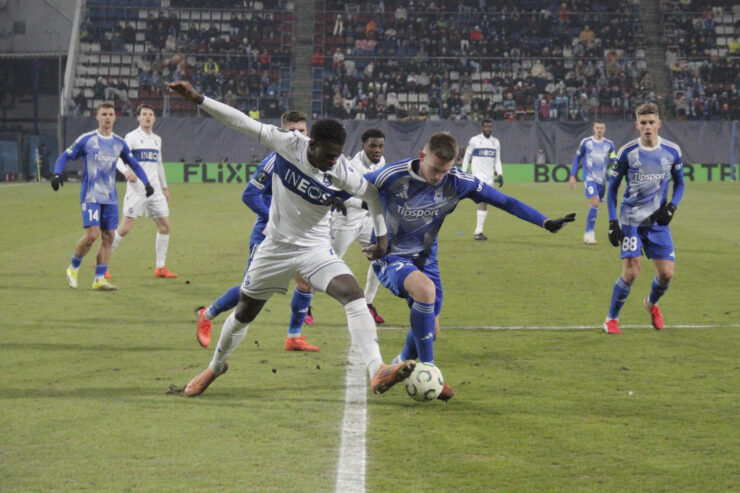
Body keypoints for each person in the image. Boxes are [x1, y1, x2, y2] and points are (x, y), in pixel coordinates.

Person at [167, 80, 415, 397]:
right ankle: (215, 367)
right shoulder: (288, 143)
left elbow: (373, 197)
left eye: (338, 155)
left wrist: (381, 238)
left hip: (315, 250)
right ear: (312, 145)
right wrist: (199, 99)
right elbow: (240, 121)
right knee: (243, 313)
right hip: (275, 247)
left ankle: (377, 369)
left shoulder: (341, 171)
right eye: (329, 155)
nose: (334, 161)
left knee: (353, 296)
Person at [365, 132, 576, 401]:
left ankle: (398, 366)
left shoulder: (459, 181)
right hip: (389, 255)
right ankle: (430, 370)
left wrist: (544, 222)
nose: (438, 177)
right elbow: (352, 189)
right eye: (434, 169)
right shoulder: (392, 175)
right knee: (426, 291)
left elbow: (505, 201)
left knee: (431, 330)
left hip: (426, 259)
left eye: (445, 171)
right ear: (422, 156)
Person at [195, 111, 320, 352]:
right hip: (267, 235)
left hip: (296, 235)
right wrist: (273, 219)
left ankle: (293, 337)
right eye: (291, 131)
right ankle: (207, 315)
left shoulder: (310, 162)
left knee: (305, 283)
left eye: (302, 131)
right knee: (249, 291)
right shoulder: (274, 161)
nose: (297, 135)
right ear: (282, 132)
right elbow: (250, 195)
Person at [51, 103, 153, 291]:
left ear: (115, 117)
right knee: (92, 235)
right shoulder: (87, 139)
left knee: (109, 237)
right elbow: (65, 156)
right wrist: (57, 174)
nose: (107, 117)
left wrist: (146, 183)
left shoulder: (119, 143)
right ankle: (73, 268)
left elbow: (134, 164)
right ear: (97, 117)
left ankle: (99, 279)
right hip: (91, 195)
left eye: (110, 114)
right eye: (104, 114)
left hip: (110, 197)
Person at [603, 103, 685, 335]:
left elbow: (680, 183)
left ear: (659, 124)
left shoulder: (672, 151)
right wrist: (612, 222)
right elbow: (612, 189)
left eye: (651, 122)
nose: (647, 127)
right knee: (631, 272)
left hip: (658, 222)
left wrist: (672, 207)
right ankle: (611, 319)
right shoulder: (627, 152)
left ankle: (651, 303)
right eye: (643, 123)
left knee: (667, 274)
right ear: (637, 125)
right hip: (631, 221)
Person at [105, 104, 177, 279]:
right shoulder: (132, 137)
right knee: (125, 228)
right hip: (137, 190)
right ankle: (102, 264)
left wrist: (164, 187)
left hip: (155, 190)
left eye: (150, 114)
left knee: (165, 227)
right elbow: (118, 158)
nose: (147, 117)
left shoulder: (157, 139)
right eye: (144, 114)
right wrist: (126, 172)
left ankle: (160, 268)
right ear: (138, 118)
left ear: (154, 118)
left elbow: (159, 164)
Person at [331, 128, 388, 324]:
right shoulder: (352, 166)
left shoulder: (381, 162)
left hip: (365, 221)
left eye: (380, 146)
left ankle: (368, 303)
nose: (377, 150)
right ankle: (304, 303)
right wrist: (365, 204)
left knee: (382, 256)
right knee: (325, 264)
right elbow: (340, 197)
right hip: (345, 221)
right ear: (363, 146)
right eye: (372, 146)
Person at [569, 121, 617, 245]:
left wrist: (618, 175)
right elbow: (577, 158)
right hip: (589, 178)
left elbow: (614, 160)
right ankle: (589, 233)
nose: (599, 130)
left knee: (595, 205)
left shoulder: (609, 144)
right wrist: (572, 175)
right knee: (595, 201)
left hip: (602, 180)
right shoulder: (586, 142)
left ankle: (588, 233)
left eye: (601, 128)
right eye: (597, 127)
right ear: (593, 129)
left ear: (605, 129)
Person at [461, 119, 503, 241]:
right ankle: (478, 231)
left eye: (490, 127)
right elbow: (467, 157)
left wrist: (500, 174)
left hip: (490, 177)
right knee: (483, 201)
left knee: (484, 202)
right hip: (477, 176)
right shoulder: (474, 140)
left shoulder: (495, 142)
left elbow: (497, 159)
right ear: (482, 128)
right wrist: (464, 173)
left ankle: (478, 232)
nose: (488, 129)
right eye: (486, 127)